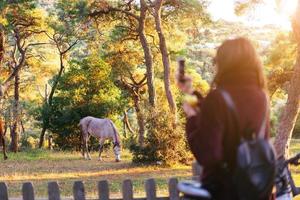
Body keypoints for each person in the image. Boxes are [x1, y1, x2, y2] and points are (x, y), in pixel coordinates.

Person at [177, 37, 275, 200]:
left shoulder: (218, 98)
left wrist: (192, 118)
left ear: (224, 63)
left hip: (225, 191)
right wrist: (191, 92)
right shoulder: (261, 96)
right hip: (254, 190)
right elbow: (230, 116)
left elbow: (208, 155)